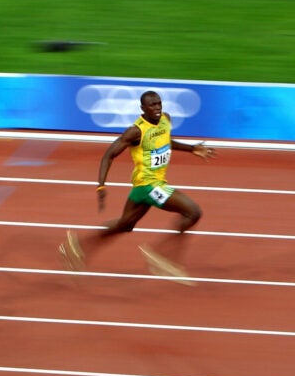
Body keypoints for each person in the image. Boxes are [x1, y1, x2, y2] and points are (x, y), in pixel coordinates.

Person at [59, 90, 216, 283]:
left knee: (124, 225)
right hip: (149, 186)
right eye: (152, 105)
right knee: (193, 212)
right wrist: (101, 185)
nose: (157, 108)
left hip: (142, 189)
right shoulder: (136, 131)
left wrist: (193, 149)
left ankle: (77, 246)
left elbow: (166, 141)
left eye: (159, 104)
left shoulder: (166, 119)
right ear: (143, 108)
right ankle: (160, 254)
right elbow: (109, 154)